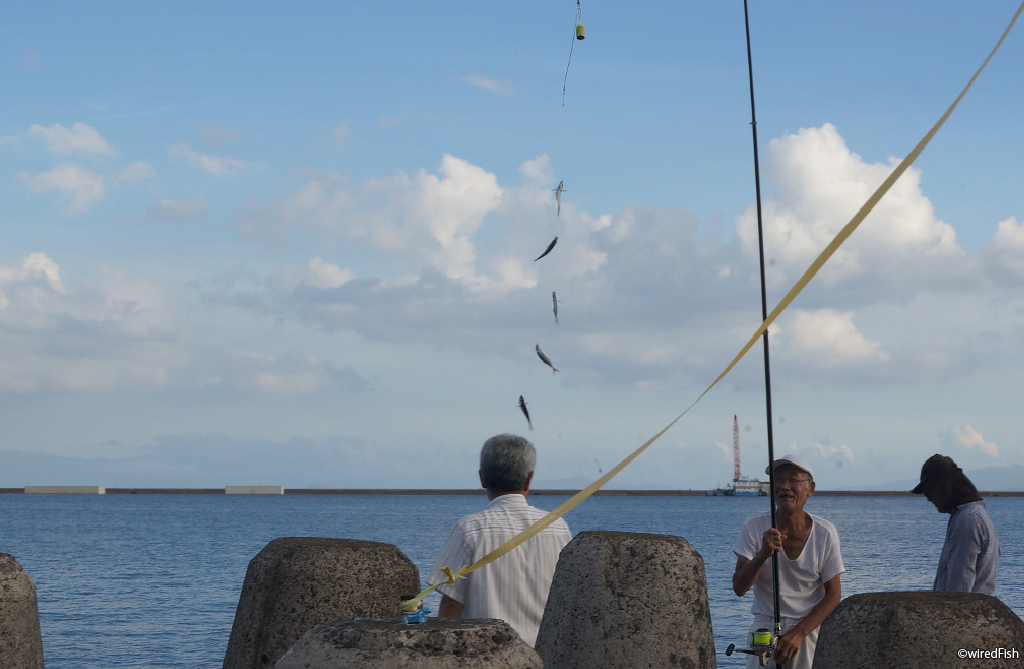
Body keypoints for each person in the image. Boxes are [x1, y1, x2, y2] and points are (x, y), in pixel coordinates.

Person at [429, 434, 572, 647]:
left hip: (487, 656)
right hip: (545, 655)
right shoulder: (557, 527)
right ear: (529, 478)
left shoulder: (469, 529)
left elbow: (451, 603)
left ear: (482, 478)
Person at [732, 454, 844, 669]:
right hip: (764, 626)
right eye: (778, 480)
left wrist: (798, 633)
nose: (785, 486)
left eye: (793, 480)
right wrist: (762, 554)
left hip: (807, 629)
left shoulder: (825, 532)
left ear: (810, 488)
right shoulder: (754, 525)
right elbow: (739, 587)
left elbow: (834, 594)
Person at [911, 453, 1000, 594]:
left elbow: (960, 588)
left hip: (962, 613)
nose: (928, 498)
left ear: (942, 488)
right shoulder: (972, 516)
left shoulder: (968, 519)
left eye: (929, 490)